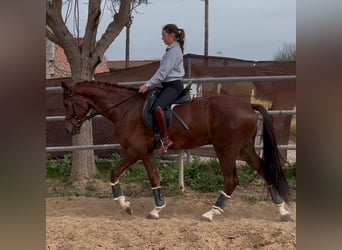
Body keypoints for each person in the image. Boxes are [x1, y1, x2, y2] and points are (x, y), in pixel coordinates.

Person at [139, 24, 186, 154]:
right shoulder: (171, 50)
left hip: (173, 86)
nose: (162, 38)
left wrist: (147, 85)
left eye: (164, 35)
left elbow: (163, 72)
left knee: (157, 108)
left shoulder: (174, 52)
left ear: (171, 35)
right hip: (167, 85)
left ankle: (165, 139)